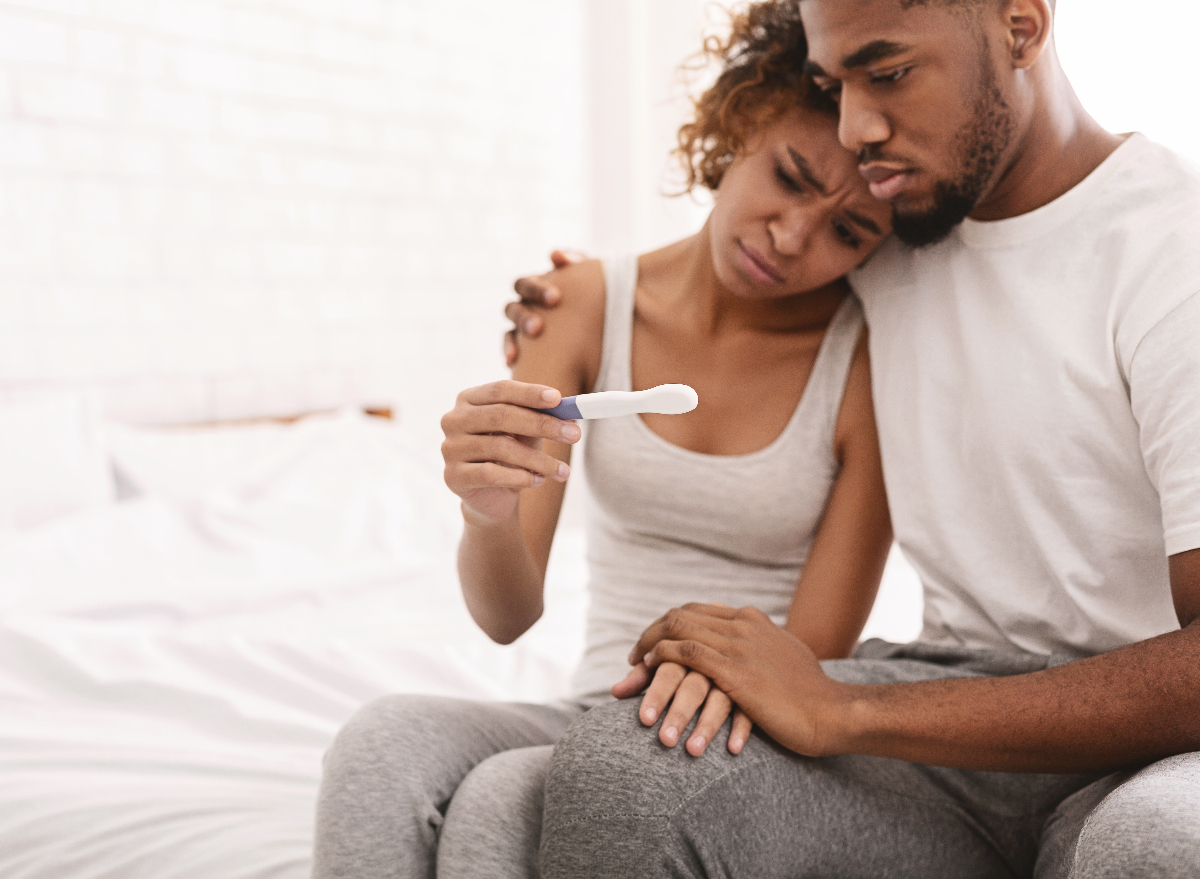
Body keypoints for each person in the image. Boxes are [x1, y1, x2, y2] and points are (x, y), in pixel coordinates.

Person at [507, 0, 1200, 875]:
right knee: (630, 769)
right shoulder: (892, 224)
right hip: (947, 698)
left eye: (889, 72)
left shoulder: (1175, 255)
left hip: (1149, 744)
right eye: (836, 85)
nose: (856, 127)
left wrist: (844, 712)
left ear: (1022, 26)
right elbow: (739, 265)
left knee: (1159, 843)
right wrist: (574, 305)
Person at [310, 5, 896, 877]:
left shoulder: (865, 365)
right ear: (739, 123)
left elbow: (812, 660)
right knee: (380, 743)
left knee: (503, 801)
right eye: (790, 176)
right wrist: (488, 511)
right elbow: (508, 617)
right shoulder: (582, 303)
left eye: (848, 231)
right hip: (591, 701)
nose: (792, 234)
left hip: (739, 729)